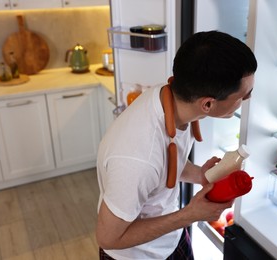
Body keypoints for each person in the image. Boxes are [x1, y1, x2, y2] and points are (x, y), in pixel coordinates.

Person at [96, 30, 257, 260]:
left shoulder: (170, 96)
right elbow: (108, 238)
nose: (248, 99)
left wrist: (200, 174)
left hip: (170, 238)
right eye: (244, 95)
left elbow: (167, 164)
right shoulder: (136, 158)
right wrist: (189, 215)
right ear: (208, 104)